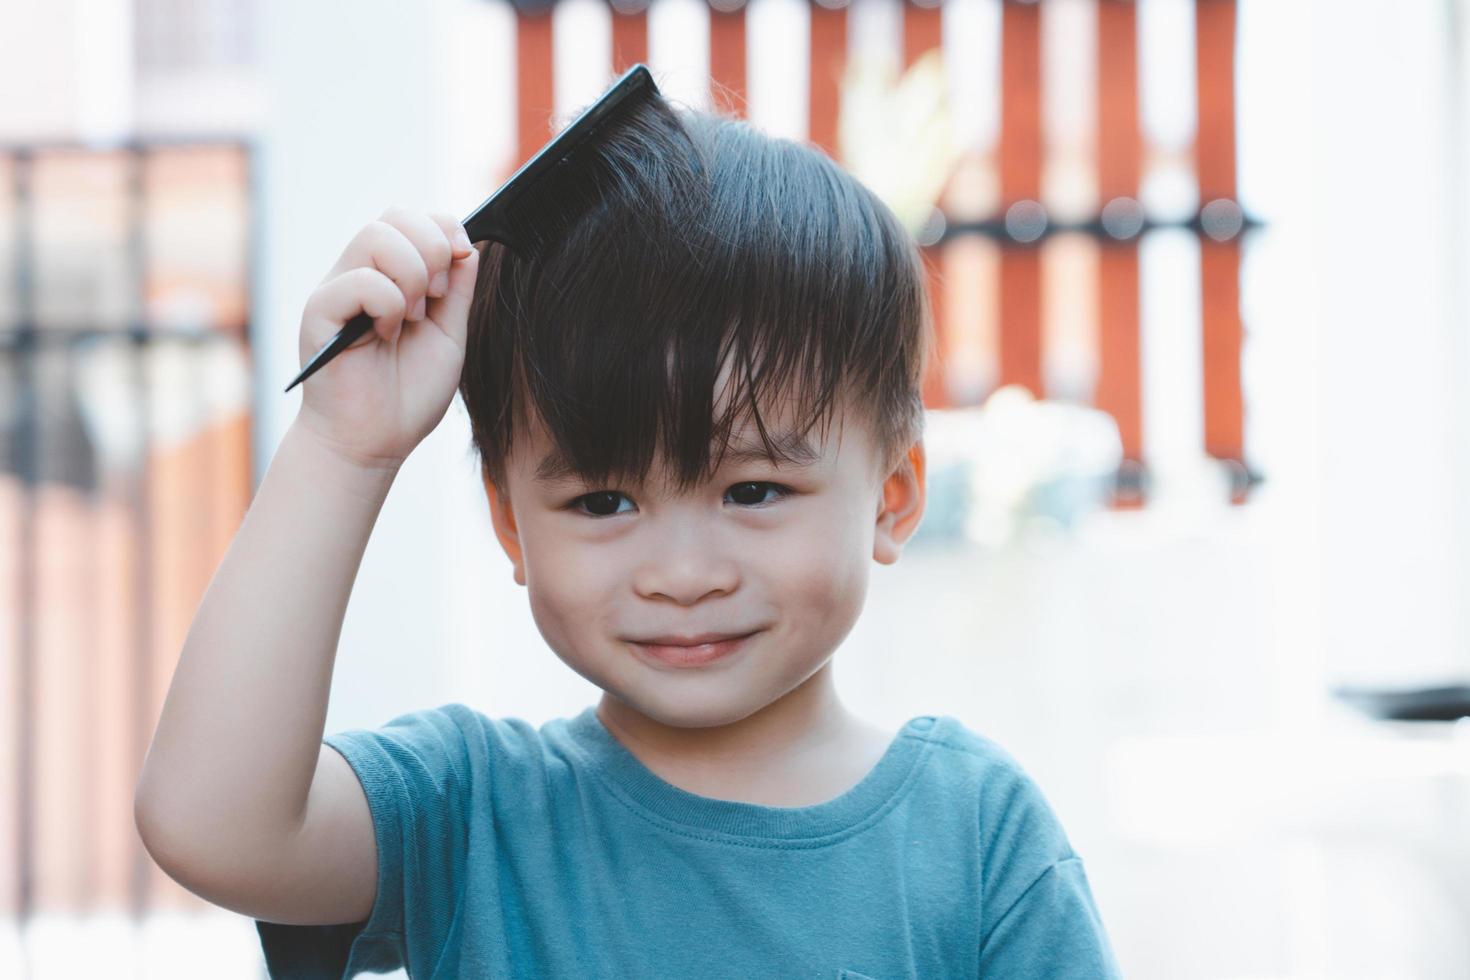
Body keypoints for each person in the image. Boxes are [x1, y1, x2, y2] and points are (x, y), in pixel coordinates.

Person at [133, 92, 1122, 978]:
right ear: (510, 524)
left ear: (893, 497)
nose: (683, 573)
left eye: (755, 488)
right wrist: (344, 447)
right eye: (604, 502)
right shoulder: (474, 812)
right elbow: (211, 823)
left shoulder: (977, 839)